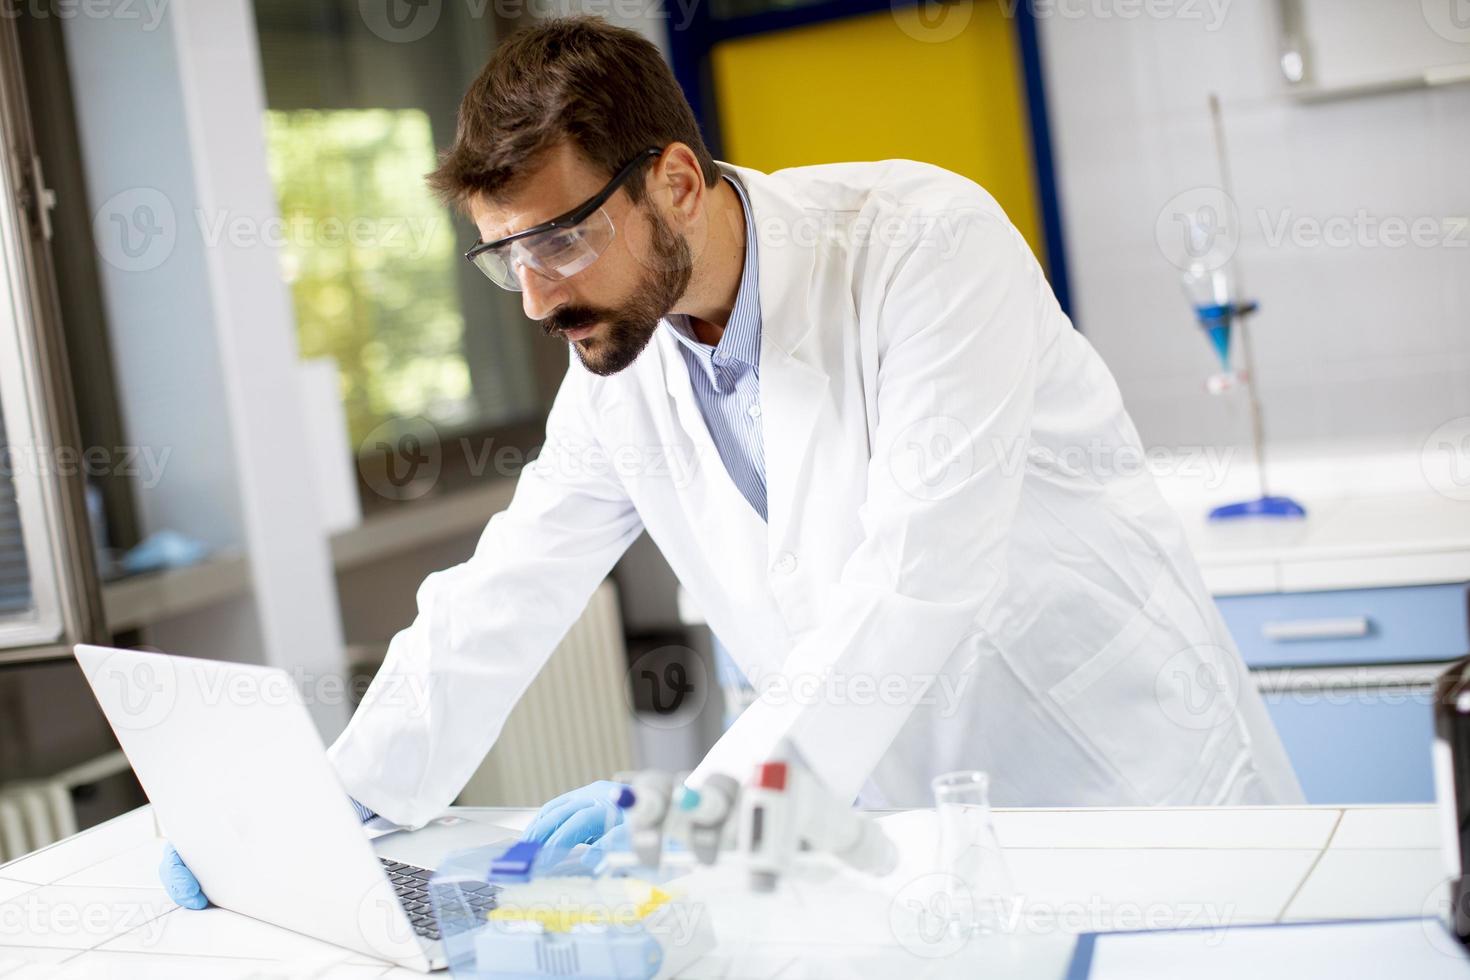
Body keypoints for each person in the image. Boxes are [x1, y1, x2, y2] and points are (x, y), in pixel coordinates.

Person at [162, 15, 1301, 906]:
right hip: (908, 831)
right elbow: (509, 586)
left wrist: (700, 816)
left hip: (1117, 779)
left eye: (561, 238)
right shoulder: (624, 356)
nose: (539, 296)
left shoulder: (923, 247)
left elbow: (916, 578)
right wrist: (330, 801)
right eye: (508, 257)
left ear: (673, 180)